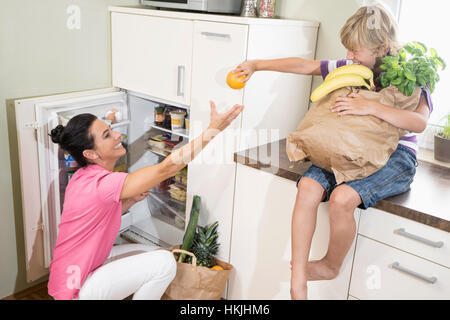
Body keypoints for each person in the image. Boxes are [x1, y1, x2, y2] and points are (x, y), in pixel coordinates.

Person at [233, 4, 432, 300]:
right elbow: (307, 66)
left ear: (382, 46)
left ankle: (329, 265)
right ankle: (298, 279)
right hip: (349, 147)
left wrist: (370, 106)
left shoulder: (411, 73)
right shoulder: (352, 68)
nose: (349, 56)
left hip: (396, 157)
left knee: (341, 199)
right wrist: (258, 65)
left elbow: (419, 122)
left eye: (356, 50)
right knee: (308, 187)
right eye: (348, 50)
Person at [48, 101, 244, 300]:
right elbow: (165, 168)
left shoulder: (82, 176)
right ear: (90, 154)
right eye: (107, 135)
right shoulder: (103, 183)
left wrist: (130, 201)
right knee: (165, 262)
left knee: (152, 253)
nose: (117, 135)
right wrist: (213, 129)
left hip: (71, 272)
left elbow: (97, 219)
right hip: (77, 289)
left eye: (111, 129)